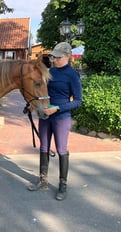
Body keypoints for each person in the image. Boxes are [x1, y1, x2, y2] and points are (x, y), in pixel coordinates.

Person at [28, 42, 82, 201]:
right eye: (54, 57)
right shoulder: (50, 72)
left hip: (60, 117)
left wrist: (57, 108)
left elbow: (78, 101)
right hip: (45, 115)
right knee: (43, 147)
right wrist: (34, 104)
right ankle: (43, 180)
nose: (55, 59)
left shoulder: (72, 75)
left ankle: (62, 186)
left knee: (61, 149)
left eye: (58, 57)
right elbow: (42, 92)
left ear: (67, 56)